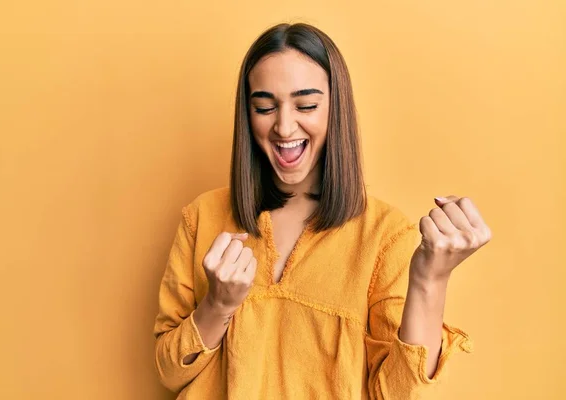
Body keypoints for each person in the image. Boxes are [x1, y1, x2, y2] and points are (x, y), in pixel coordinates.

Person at [153, 22, 492, 399]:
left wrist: (431, 278)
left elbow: (398, 393)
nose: (283, 126)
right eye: (264, 107)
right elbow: (169, 373)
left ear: (336, 108)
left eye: (307, 105)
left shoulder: (384, 234)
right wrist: (217, 305)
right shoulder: (202, 216)